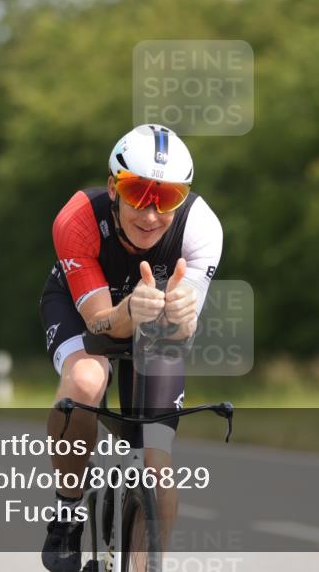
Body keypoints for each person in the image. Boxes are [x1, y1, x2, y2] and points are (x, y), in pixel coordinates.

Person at [39, 124, 223, 571]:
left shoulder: (202, 228)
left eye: (167, 197)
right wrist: (130, 309)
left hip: (154, 325)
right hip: (85, 307)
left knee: (157, 467)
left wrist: (181, 312)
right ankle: (67, 512)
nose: (150, 213)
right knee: (86, 380)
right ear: (113, 187)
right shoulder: (77, 218)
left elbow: (181, 331)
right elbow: (100, 323)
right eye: (138, 192)